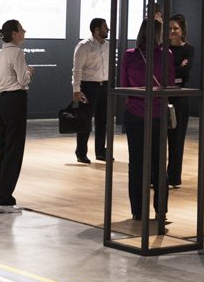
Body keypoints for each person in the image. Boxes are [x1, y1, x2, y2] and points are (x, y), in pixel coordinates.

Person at [119, 16, 176, 230]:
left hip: (134, 112)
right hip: (158, 113)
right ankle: (161, 209)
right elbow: (170, 84)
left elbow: (124, 85)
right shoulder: (166, 54)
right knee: (159, 164)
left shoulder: (129, 55)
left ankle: (137, 210)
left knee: (136, 163)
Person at [0, 18, 32, 212]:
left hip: (2, 101)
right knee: (14, 151)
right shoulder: (17, 53)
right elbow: (23, 80)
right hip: (16, 101)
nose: (24, 32)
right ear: (14, 33)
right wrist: (29, 73)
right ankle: (4, 199)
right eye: (21, 29)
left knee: (1, 150)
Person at [70, 17, 110, 163]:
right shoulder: (83, 46)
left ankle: (100, 151)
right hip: (89, 87)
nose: (108, 29)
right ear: (97, 30)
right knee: (85, 120)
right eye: (105, 27)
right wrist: (76, 89)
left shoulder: (108, 46)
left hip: (105, 85)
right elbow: (77, 69)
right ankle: (81, 153)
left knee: (102, 120)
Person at [165, 14, 194, 187]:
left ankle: (174, 177)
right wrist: (177, 68)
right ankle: (157, 176)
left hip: (180, 98)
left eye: (175, 28)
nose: (172, 31)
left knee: (177, 140)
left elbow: (185, 72)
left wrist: (172, 70)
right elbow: (162, 71)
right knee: (159, 139)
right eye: (170, 28)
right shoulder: (163, 49)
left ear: (182, 30)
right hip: (163, 96)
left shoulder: (189, 49)